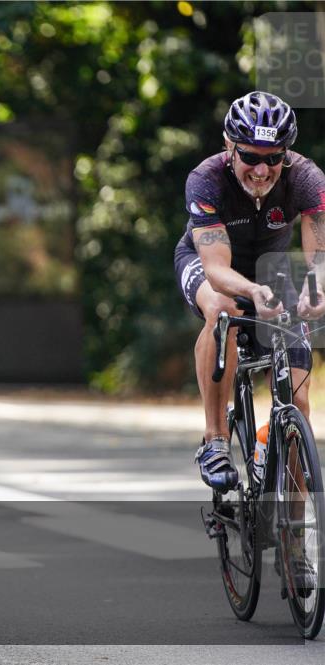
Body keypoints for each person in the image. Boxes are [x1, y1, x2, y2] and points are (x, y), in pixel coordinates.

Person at [173, 91, 325, 494]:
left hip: (270, 271)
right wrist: (253, 291)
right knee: (223, 310)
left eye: (273, 158)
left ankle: (294, 527)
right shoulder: (206, 180)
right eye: (250, 156)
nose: (262, 169)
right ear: (229, 146)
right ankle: (215, 440)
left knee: (299, 402)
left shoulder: (305, 178)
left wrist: (315, 288)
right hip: (209, 264)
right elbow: (217, 269)